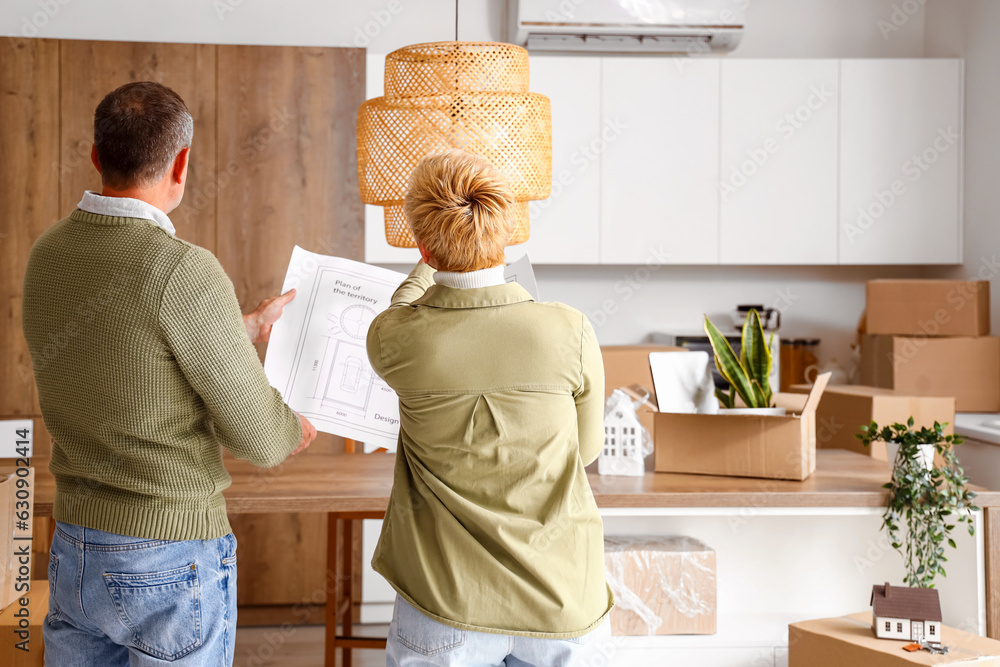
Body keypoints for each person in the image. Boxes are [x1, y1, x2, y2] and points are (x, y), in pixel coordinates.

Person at [21, 81, 317, 666]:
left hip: (76, 546)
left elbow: (122, 346)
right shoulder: (183, 270)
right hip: (167, 554)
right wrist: (293, 428)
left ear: (97, 156)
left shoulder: (48, 253)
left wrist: (241, 328)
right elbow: (260, 438)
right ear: (181, 163)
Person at [366, 150, 614, 666]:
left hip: (444, 600)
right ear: (507, 235)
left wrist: (431, 257)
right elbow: (586, 451)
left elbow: (403, 304)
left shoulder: (397, 338)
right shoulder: (569, 329)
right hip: (561, 598)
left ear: (424, 247)